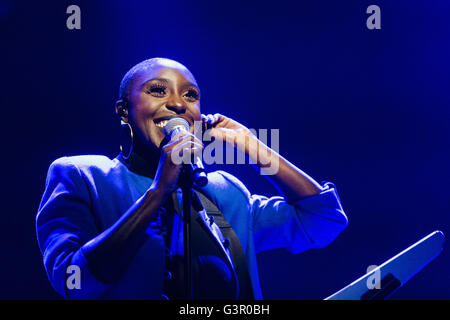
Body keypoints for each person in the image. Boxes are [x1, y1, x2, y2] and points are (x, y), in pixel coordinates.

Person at [36, 57, 348, 300]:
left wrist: (255, 148)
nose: (178, 103)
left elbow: (323, 221)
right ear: (124, 111)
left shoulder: (225, 193)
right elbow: (74, 282)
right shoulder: (84, 176)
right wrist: (158, 192)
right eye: (158, 90)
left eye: (191, 96)